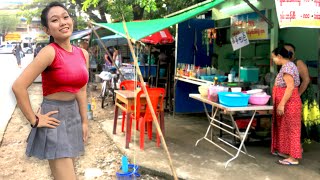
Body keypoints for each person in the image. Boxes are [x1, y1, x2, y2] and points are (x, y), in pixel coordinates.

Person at [12, 2, 89, 179]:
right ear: (47, 30)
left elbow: (81, 90)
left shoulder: (82, 54)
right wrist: (34, 119)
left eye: (65, 17)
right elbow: (18, 87)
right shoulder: (49, 52)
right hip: (54, 118)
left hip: (73, 117)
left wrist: (84, 121)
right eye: (55, 20)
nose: (62, 22)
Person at [271, 46, 302, 165]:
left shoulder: (287, 68)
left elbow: (290, 88)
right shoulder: (289, 65)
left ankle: (293, 158)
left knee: (292, 129)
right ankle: (288, 152)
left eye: (274, 58)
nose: (274, 61)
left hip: (289, 103)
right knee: (286, 128)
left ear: (279, 57)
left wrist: (281, 104)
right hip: (289, 102)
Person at [284, 43, 320, 143]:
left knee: (303, 119)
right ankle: (296, 145)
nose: (287, 53)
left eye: (289, 51)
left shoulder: (298, 63)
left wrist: (298, 94)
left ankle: (298, 146)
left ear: (293, 53)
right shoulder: (285, 64)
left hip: (304, 94)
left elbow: (306, 80)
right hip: (293, 95)